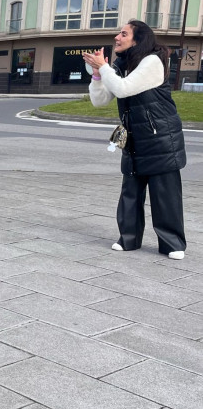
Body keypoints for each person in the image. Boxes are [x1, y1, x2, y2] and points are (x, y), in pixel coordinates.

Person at [83, 20, 187, 260]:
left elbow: (123, 89)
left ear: (138, 40)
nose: (117, 37)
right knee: (130, 192)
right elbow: (100, 101)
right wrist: (98, 75)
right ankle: (129, 238)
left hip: (160, 137)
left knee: (165, 194)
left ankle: (173, 243)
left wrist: (104, 68)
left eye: (123, 33)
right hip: (134, 138)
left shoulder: (152, 61)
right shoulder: (121, 64)